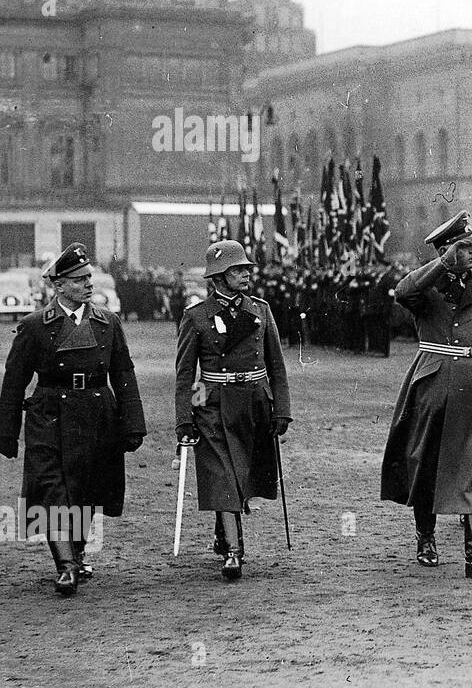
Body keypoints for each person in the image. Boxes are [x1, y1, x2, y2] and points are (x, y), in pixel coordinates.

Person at [0, 244, 146, 594]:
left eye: (88, 278)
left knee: (85, 488)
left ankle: (76, 553)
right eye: (79, 280)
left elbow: (123, 372)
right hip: (49, 415)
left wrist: (133, 423)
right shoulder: (35, 326)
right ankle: (65, 564)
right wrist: (7, 432)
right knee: (52, 488)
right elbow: (15, 379)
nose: (87, 285)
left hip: (97, 412)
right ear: (59, 285)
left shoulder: (107, 322)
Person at [379, 213, 472, 578]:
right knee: (426, 461)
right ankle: (426, 536)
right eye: (465, 248)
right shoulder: (426, 286)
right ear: (447, 251)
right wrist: (441, 264)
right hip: (435, 380)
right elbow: (402, 292)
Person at [175, 240, 292, 581]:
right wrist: (184, 417)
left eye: (245, 269)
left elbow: (277, 365)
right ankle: (234, 550)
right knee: (224, 473)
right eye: (237, 270)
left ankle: (222, 529)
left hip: (254, 402)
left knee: (241, 474)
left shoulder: (261, 311)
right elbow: (185, 374)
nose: (245, 274)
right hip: (213, 404)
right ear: (218, 278)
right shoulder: (196, 317)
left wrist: (281, 408)